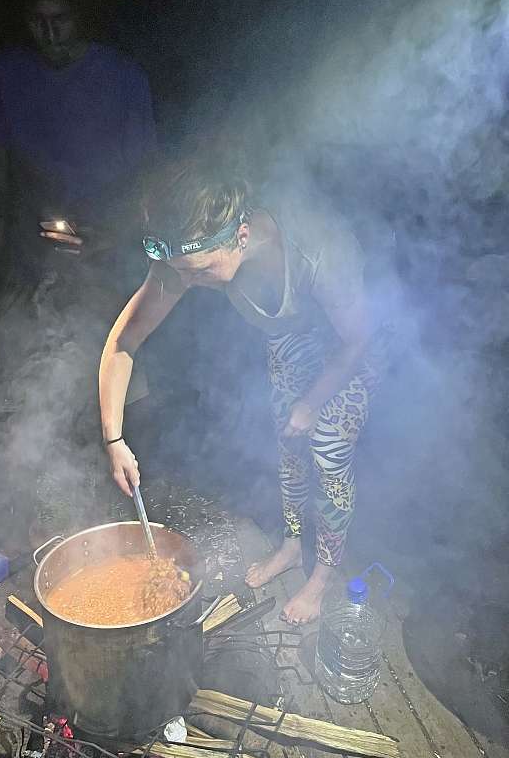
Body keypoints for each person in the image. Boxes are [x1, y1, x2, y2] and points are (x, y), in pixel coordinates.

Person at [98, 158, 388, 625]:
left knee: (329, 447)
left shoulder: (319, 248)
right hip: (292, 333)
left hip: (352, 339)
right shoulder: (185, 257)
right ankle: (293, 546)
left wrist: (312, 403)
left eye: (198, 272)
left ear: (241, 237)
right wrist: (114, 439)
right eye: (179, 272)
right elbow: (123, 341)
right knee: (287, 439)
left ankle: (324, 573)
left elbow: (358, 337)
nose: (185, 283)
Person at [0, 0, 156, 595]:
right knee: (21, 387)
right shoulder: (5, 74)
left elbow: (150, 184)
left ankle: (117, 521)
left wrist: (111, 239)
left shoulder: (123, 79)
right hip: (31, 250)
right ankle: (16, 541)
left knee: (117, 378)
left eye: (61, 19)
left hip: (106, 249)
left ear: (85, 13)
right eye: (36, 21)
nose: (48, 34)